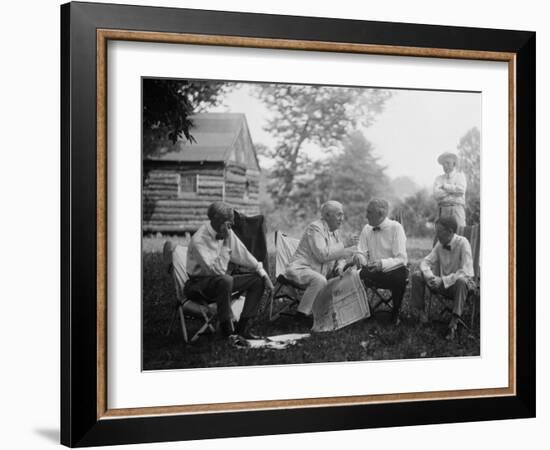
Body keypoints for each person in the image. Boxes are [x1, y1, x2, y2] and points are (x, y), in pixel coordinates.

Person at [185, 201, 274, 339]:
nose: (230, 228)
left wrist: (263, 274)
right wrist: (226, 244)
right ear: (217, 221)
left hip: (221, 282)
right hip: (198, 286)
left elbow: (242, 254)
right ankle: (227, 332)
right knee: (225, 279)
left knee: (257, 280)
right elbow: (217, 271)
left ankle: (242, 329)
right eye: (228, 224)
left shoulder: (226, 230)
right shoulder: (199, 241)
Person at [284, 201, 357, 319]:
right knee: (319, 280)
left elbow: (340, 256)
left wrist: (339, 267)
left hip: (320, 273)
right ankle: (301, 315)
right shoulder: (315, 228)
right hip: (301, 269)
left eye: (342, 215)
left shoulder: (335, 232)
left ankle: (344, 314)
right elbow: (322, 255)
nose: (342, 219)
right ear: (327, 215)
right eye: (339, 215)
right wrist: (345, 244)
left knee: (350, 275)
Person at [410, 215, 475, 340]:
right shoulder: (440, 244)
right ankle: (422, 315)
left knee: (462, 281)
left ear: (450, 231)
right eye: (436, 231)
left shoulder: (463, 243)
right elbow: (425, 262)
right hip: (441, 284)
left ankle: (454, 323)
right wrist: (430, 276)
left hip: (459, 287)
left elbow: (467, 271)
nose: (437, 235)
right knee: (417, 275)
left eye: (439, 231)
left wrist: (443, 280)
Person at [353, 198, 408, 324]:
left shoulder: (396, 228)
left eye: (369, 212)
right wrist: (359, 258)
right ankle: (367, 312)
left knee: (401, 273)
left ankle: (395, 313)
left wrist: (381, 264)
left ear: (381, 214)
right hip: (372, 272)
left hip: (391, 273)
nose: (366, 215)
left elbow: (402, 259)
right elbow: (361, 251)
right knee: (353, 276)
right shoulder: (367, 228)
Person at [433, 151, 467, 228]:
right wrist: (453, 192)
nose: (445, 165)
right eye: (443, 164)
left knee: (460, 233)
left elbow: (461, 190)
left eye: (448, 163)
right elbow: (436, 194)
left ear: (454, 164)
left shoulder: (460, 176)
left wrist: (445, 186)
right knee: (443, 235)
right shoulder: (439, 179)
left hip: (457, 210)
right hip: (442, 211)